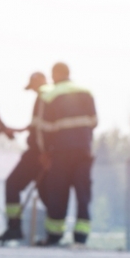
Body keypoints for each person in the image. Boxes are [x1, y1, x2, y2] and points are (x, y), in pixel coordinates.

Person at [34, 62, 97, 246]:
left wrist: (45, 152)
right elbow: (94, 121)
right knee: (83, 194)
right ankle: (81, 237)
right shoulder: (86, 92)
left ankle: (54, 235)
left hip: (60, 153)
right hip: (83, 151)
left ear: (54, 75)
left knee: (58, 194)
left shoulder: (49, 95)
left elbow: (43, 129)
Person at [0, 71, 50, 243]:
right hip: (42, 152)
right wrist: (15, 130)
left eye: (33, 86)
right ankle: (53, 234)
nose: (33, 90)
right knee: (46, 192)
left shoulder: (44, 97)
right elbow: (35, 126)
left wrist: (44, 152)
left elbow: (41, 129)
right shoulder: (46, 98)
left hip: (37, 153)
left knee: (13, 184)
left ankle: (15, 227)